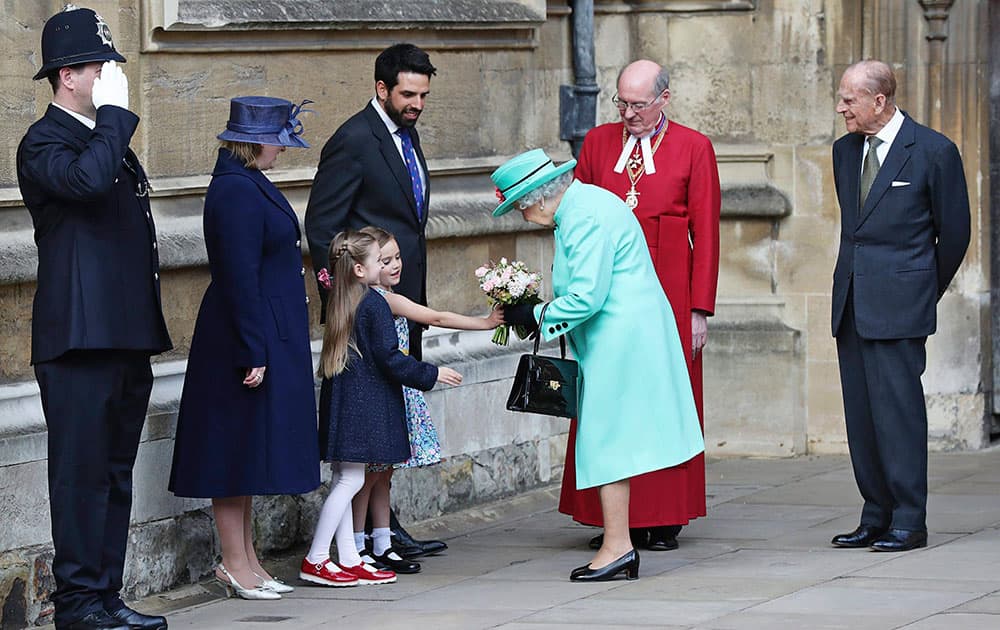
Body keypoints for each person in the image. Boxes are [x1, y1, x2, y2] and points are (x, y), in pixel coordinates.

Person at [17, 7, 173, 630]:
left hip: (122, 335)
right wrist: (113, 119)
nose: (111, 74)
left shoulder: (104, 140)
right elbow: (84, 185)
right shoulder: (44, 142)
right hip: (78, 340)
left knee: (113, 476)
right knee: (80, 479)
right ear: (66, 76)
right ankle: (77, 604)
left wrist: (109, 124)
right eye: (99, 65)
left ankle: (105, 596)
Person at [494, 149, 704, 581]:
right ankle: (617, 543)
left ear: (539, 197)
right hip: (624, 335)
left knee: (605, 440)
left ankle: (617, 547)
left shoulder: (583, 216)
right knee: (610, 441)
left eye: (519, 205)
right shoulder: (585, 204)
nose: (522, 214)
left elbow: (588, 296)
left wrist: (535, 315)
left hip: (620, 339)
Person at [560, 59, 721, 552]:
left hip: (671, 293)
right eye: (621, 103)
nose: (628, 113)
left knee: (663, 400)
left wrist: (699, 310)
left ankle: (663, 516)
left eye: (638, 104)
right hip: (608, 293)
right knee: (607, 400)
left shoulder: (695, 147)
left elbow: (707, 233)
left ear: (664, 99)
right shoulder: (597, 143)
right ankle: (610, 522)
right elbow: (576, 218)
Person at [167, 97, 320, 599]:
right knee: (231, 453)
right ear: (256, 140)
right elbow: (237, 277)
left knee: (248, 451)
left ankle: (248, 560)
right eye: (278, 138)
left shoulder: (248, 183)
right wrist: (253, 349)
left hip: (259, 334)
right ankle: (233, 562)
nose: (282, 147)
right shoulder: (234, 190)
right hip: (240, 339)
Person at [304, 42, 447, 558]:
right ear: (381, 88)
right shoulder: (353, 140)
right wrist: (349, 302)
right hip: (368, 318)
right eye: (408, 94)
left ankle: (385, 532)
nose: (417, 104)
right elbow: (321, 229)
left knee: (394, 421)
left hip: (405, 304)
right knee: (370, 427)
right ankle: (360, 541)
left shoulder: (404, 134)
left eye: (424, 95)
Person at [829, 60, 969, 552]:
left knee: (899, 415)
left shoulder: (934, 151)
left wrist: (918, 291)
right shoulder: (844, 151)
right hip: (851, 303)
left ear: (880, 101)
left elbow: (954, 236)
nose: (841, 107)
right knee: (862, 416)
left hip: (901, 306)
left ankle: (909, 520)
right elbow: (856, 229)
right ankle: (876, 513)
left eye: (849, 99)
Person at [299, 230, 463, 587]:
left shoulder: (346, 296)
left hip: (344, 403)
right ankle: (316, 558)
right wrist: (431, 373)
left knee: (346, 479)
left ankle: (350, 557)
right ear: (360, 268)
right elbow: (390, 359)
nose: (384, 264)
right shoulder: (373, 303)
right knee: (351, 480)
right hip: (361, 406)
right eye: (378, 260)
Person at [348, 226, 503, 574]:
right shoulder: (383, 299)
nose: (394, 266)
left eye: (397, 257)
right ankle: (358, 545)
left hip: (397, 391)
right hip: (387, 389)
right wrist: (486, 323)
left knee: (384, 474)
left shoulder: (385, 295)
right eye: (384, 260)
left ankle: (383, 542)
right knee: (371, 475)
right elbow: (437, 317)